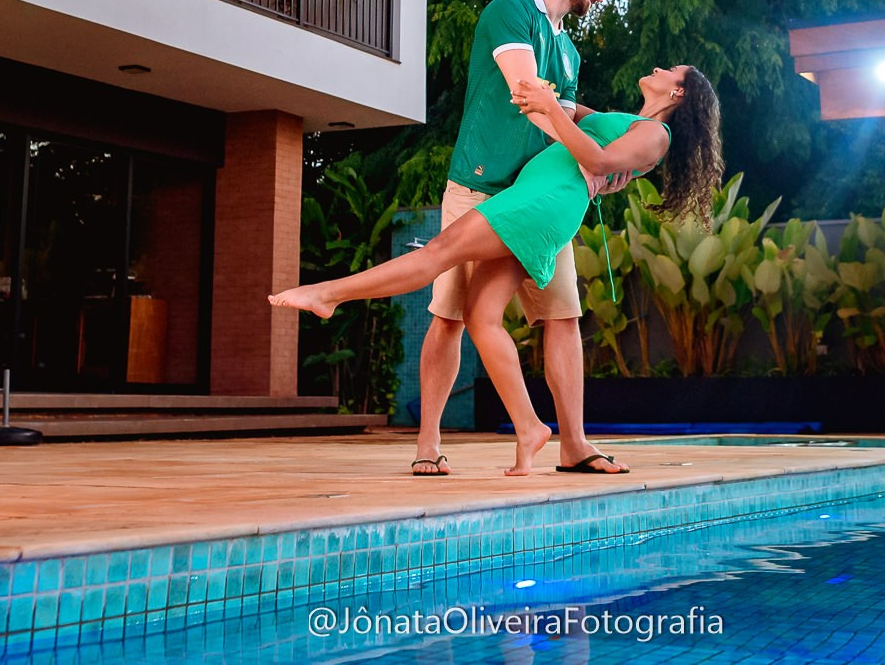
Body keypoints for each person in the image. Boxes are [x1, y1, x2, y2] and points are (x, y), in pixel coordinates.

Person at [268, 63, 723, 475]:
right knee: (481, 317)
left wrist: (550, 107)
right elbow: (570, 116)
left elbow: (598, 160)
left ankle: (328, 294)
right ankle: (529, 427)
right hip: (538, 198)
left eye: (671, 70)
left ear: (679, 93)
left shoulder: (656, 135)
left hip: (540, 203)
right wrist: (546, 94)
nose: (659, 68)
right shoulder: (630, 122)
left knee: (438, 253)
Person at [421, 0, 618, 479]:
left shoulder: (571, 53)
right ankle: (427, 440)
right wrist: (587, 147)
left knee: (563, 317)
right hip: (479, 191)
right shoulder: (510, 11)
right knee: (450, 316)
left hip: (536, 200)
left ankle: (574, 444)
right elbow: (529, 96)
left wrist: (611, 143)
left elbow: (565, 116)